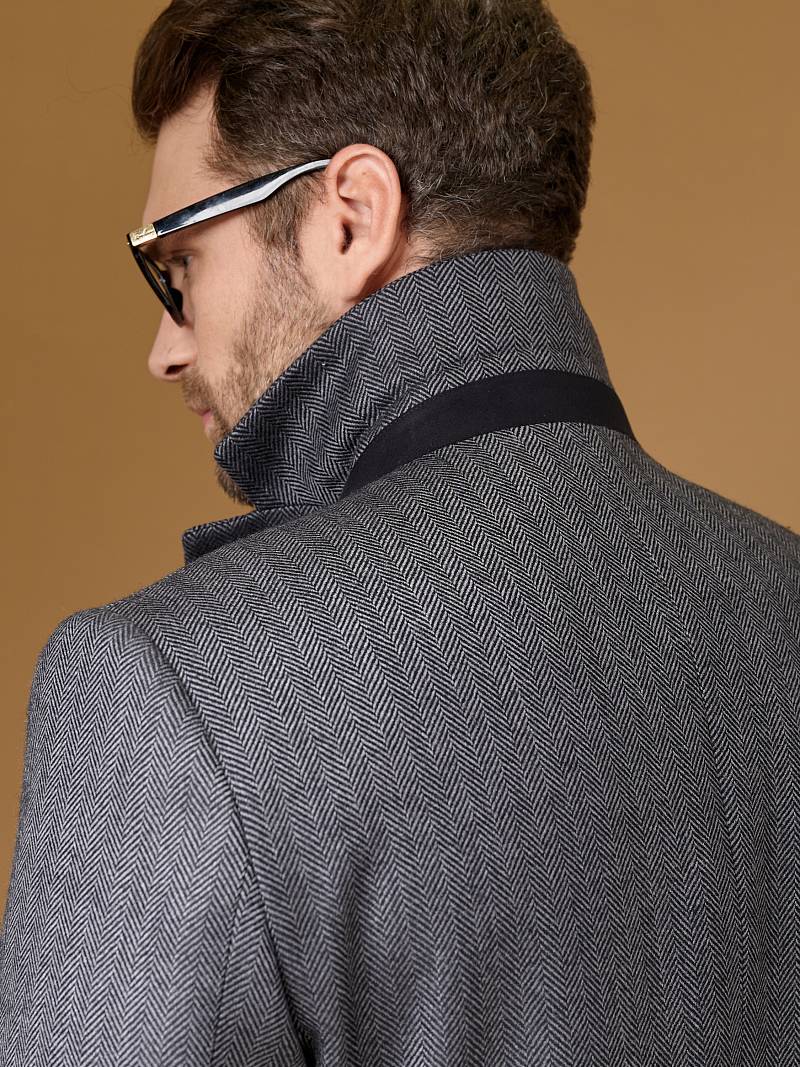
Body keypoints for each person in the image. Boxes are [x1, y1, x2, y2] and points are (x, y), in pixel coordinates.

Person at [2, 0, 799, 1063]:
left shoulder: (171, 684)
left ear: (350, 218)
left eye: (180, 264)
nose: (165, 347)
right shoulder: (782, 603)